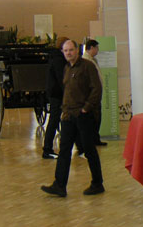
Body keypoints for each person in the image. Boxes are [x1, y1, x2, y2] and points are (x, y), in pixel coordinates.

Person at [41, 38, 104, 197]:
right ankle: (59, 185)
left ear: (77, 50)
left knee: (89, 150)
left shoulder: (87, 66)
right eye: (66, 50)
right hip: (69, 115)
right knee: (64, 150)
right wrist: (64, 110)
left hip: (84, 116)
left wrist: (86, 108)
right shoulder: (67, 68)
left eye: (71, 50)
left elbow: (96, 89)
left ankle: (97, 183)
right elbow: (67, 91)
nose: (68, 53)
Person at [41, 38, 67, 159]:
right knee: (54, 120)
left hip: (56, 93)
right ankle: (47, 149)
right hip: (57, 94)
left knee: (56, 120)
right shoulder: (59, 60)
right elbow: (61, 78)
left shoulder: (56, 58)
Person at [82, 38, 107, 147]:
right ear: (91, 48)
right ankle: (92, 139)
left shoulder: (92, 60)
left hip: (96, 93)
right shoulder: (85, 61)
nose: (97, 50)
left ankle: (95, 138)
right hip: (91, 95)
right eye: (97, 48)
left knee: (97, 117)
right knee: (94, 118)